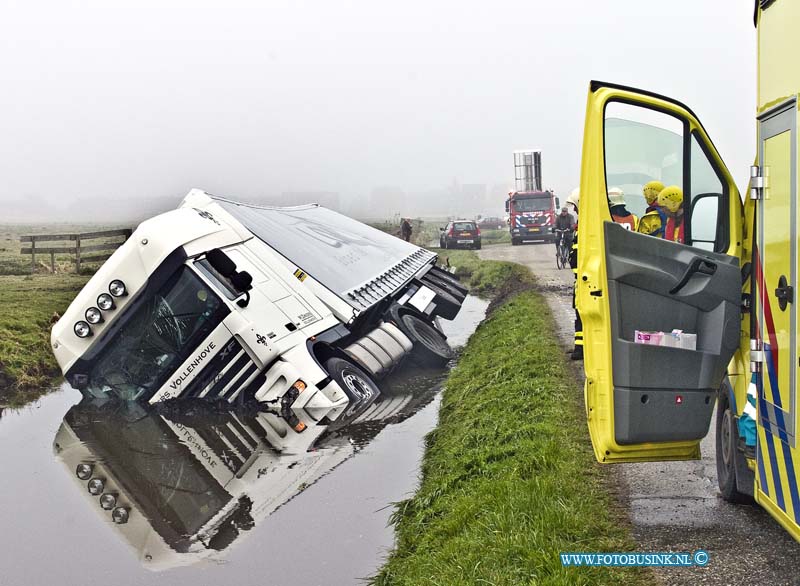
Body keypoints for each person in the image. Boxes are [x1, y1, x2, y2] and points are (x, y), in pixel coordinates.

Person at [567, 188, 583, 360]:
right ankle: (579, 348)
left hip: (583, 280)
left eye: (575, 206)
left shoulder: (585, 225)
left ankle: (580, 350)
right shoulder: (581, 224)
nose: (573, 210)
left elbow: (577, 256)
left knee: (581, 314)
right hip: (581, 279)